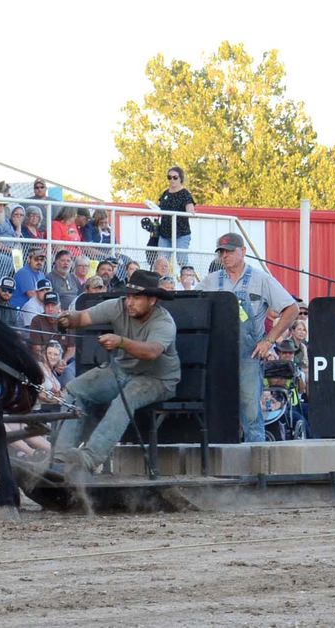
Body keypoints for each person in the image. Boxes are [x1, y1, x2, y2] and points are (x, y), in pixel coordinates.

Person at [50, 270, 180, 477]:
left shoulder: (163, 322)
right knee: (75, 389)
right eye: (128, 296)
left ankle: (89, 459)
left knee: (126, 398)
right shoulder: (118, 306)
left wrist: (121, 342)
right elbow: (83, 317)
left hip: (157, 379)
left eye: (136, 298)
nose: (130, 302)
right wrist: (68, 319)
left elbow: (151, 352)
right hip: (122, 370)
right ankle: (60, 458)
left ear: (152, 300)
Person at [196, 233, 298, 442]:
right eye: (221, 252)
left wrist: (269, 341)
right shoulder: (210, 281)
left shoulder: (261, 280)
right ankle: (218, 457)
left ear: (243, 251)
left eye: (230, 251)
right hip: (217, 356)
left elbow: (292, 308)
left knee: (251, 411)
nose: (225, 256)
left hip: (248, 355)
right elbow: (192, 306)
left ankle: (255, 462)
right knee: (218, 410)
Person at [157, 166, 195, 265]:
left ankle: (187, 279)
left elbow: (191, 211)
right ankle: (163, 280)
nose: (172, 180)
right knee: (162, 262)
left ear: (180, 178)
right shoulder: (165, 193)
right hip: (164, 234)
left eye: (175, 177)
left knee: (182, 261)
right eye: (169, 177)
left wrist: (187, 212)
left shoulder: (185, 194)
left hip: (181, 233)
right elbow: (159, 209)